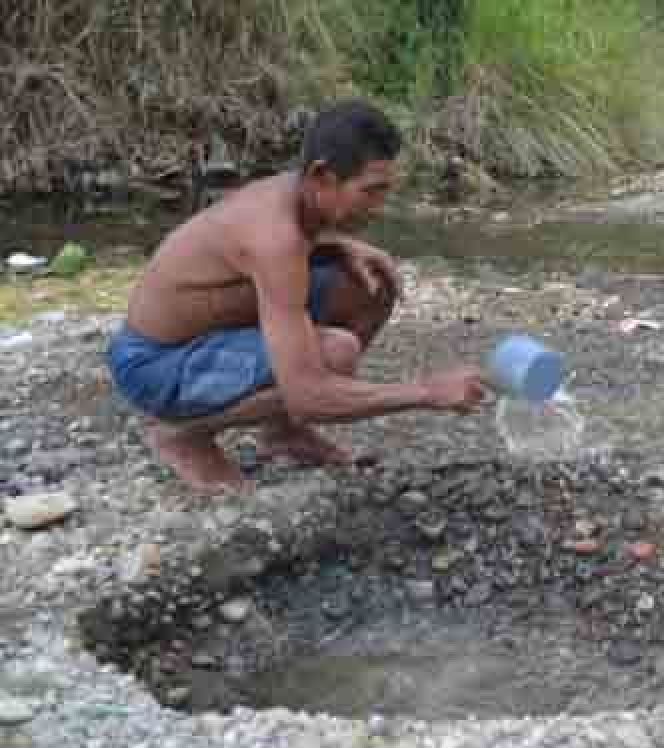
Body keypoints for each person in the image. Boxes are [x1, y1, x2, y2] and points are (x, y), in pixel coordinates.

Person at [106, 98, 486, 494]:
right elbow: (308, 394)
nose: (379, 207)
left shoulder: (296, 193)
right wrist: (428, 392)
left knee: (371, 284)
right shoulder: (275, 238)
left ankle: (282, 432)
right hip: (154, 364)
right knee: (334, 354)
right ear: (322, 176)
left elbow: (280, 244)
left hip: (208, 331)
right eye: (370, 191)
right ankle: (184, 434)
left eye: (386, 191)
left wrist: (337, 243)